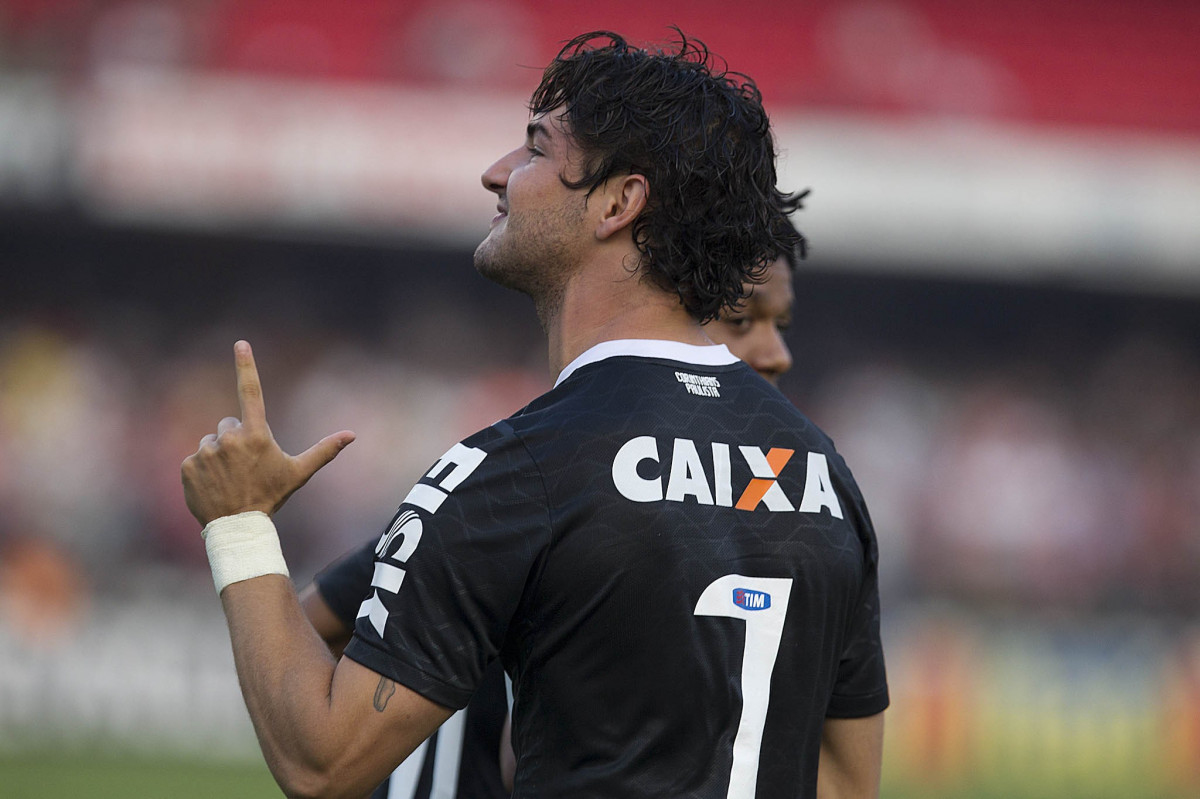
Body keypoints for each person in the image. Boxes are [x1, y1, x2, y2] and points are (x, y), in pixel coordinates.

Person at [181, 30, 887, 799]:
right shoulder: (824, 475)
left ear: (619, 202)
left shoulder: (517, 473)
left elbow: (322, 761)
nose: (496, 174)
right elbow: (848, 783)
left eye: (534, 151)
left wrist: (240, 521)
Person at [297, 234, 802, 798]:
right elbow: (317, 630)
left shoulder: (797, 512)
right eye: (742, 321)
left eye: (781, 323)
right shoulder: (546, 484)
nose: (775, 352)